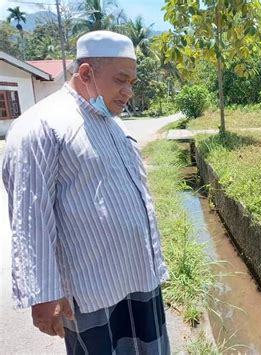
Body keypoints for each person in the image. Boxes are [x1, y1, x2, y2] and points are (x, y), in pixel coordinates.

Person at [2, 31, 170, 354]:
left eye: (132, 83)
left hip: (139, 275)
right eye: (121, 80)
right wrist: (43, 294)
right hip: (92, 290)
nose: (128, 92)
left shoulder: (113, 123)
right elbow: (30, 214)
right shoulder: (41, 126)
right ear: (86, 73)